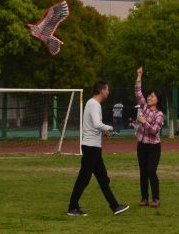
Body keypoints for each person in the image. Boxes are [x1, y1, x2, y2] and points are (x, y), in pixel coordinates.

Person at [66, 81, 128, 217]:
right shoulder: (94, 104)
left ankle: (115, 206)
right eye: (107, 89)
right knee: (85, 178)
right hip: (91, 147)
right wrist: (109, 128)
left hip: (93, 147)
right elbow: (96, 123)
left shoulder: (93, 103)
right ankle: (72, 207)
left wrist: (103, 131)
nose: (108, 92)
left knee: (102, 178)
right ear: (102, 90)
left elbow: (94, 125)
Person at [134, 68, 163, 208]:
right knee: (143, 172)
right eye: (149, 96)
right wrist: (139, 75)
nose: (149, 98)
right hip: (142, 145)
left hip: (154, 147)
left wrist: (144, 121)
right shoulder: (144, 107)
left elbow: (154, 131)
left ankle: (155, 198)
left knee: (151, 170)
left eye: (152, 96)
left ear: (157, 100)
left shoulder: (159, 114)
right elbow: (138, 92)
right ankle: (144, 198)